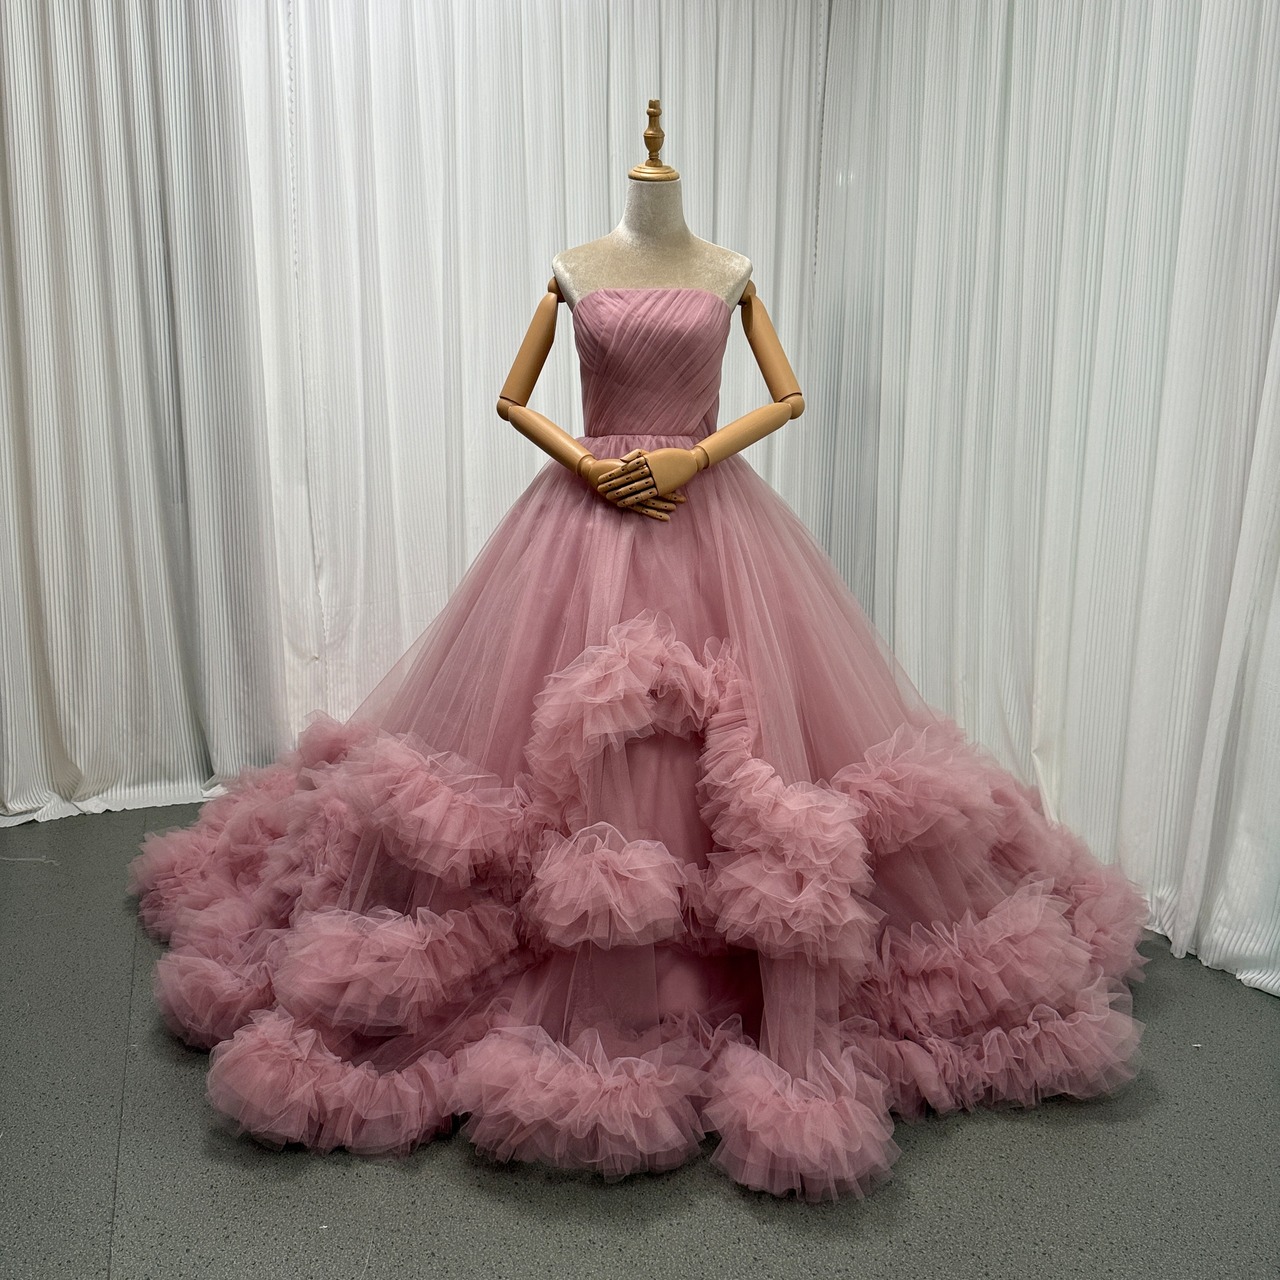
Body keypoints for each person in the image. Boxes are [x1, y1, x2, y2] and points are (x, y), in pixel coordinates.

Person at [131, 102, 1146, 1202]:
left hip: (710, 512)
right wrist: (587, 460)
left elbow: (788, 394)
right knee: (563, 740)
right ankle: (596, 970)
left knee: (747, 744)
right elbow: (513, 396)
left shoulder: (729, 269)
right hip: (582, 513)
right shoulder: (574, 266)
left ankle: (719, 977)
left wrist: (690, 458)